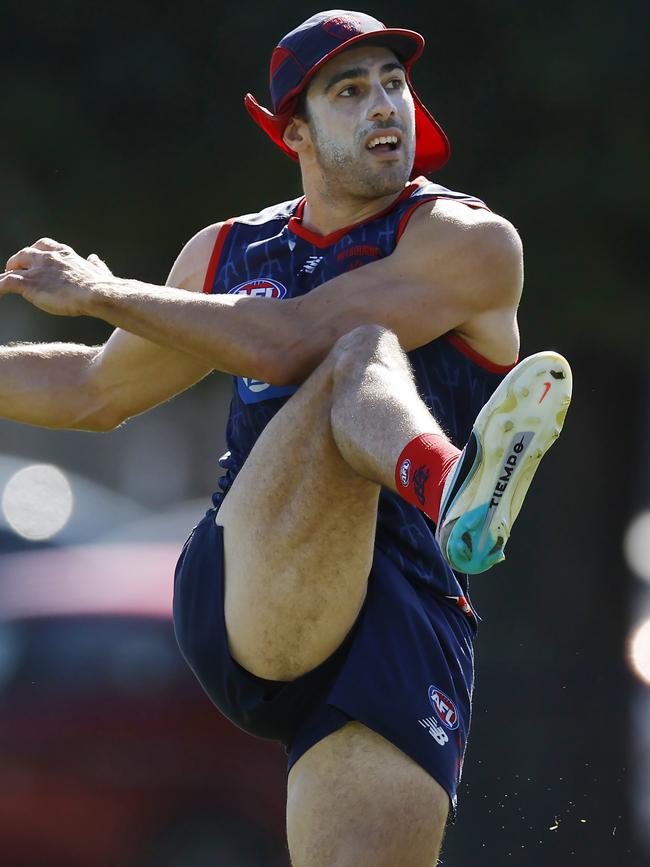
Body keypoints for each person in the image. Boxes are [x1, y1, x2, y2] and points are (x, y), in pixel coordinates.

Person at [0, 10, 572, 866]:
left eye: (395, 83)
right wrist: (101, 296)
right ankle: (457, 486)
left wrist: (103, 289)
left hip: (406, 608)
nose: (385, 105)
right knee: (359, 355)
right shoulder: (228, 251)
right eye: (351, 91)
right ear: (293, 131)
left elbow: (286, 337)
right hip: (251, 580)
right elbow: (92, 390)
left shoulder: (470, 240)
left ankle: (457, 501)